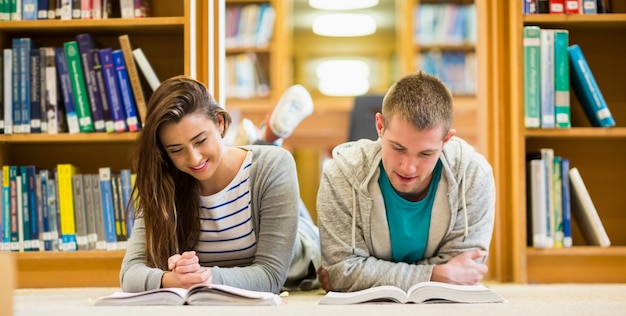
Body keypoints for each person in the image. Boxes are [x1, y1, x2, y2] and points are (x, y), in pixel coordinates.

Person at [120, 75, 320, 294]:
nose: (194, 159)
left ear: (220, 122)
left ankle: (266, 142)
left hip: (301, 250)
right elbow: (130, 273)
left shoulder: (273, 165)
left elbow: (270, 275)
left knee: (274, 166)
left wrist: (203, 277)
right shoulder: (160, 182)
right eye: (177, 150)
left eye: (200, 140)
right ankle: (261, 140)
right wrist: (171, 280)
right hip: (232, 264)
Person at [316, 71, 496, 292]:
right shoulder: (341, 172)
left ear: (447, 140)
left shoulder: (474, 174)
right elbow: (341, 272)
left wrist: (366, 271)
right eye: (398, 148)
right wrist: (435, 273)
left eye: (425, 154)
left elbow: (465, 272)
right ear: (380, 126)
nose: (408, 167)